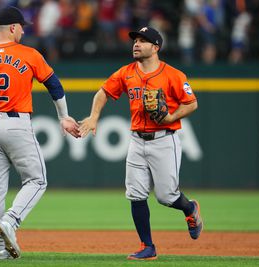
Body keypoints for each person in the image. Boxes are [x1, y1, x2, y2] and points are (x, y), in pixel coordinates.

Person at [0, 6, 80, 260]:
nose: (23, 30)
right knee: (37, 180)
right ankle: (11, 221)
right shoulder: (29, 54)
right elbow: (54, 85)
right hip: (17, 124)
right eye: (22, 26)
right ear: (12, 28)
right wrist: (64, 117)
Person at [79, 26, 203, 260]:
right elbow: (103, 93)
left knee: (166, 197)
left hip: (164, 139)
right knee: (135, 194)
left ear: (156, 47)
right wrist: (94, 117)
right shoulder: (126, 73)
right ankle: (148, 247)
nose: (136, 44)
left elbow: (191, 103)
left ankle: (190, 209)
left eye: (143, 40)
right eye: (135, 40)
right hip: (137, 139)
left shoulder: (173, 75)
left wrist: (171, 117)